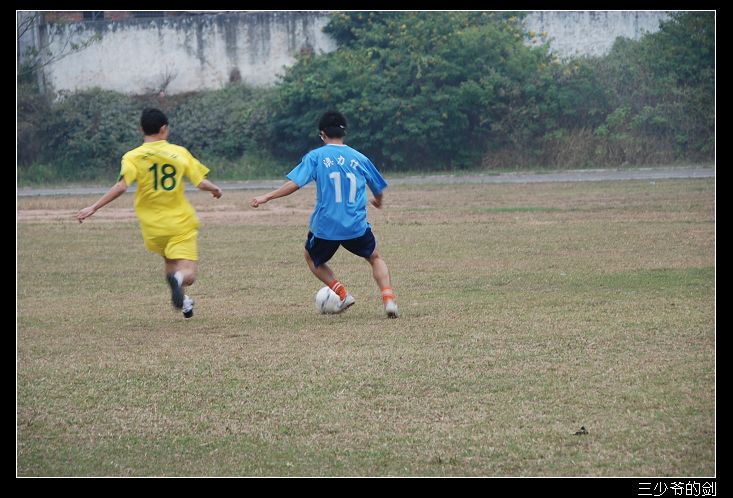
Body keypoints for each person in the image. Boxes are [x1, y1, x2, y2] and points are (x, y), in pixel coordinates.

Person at [250, 110, 398, 318]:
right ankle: (388, 299)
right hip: (355, 225)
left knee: (311, 258)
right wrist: (378, 202)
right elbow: (378, 189)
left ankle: (342, 294)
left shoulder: (316, 157)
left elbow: (295, 183)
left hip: (326, 226)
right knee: (374, 257)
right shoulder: (360, 158)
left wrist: (267, 197)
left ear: (322, 134)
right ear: (344, 132)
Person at [76, 108, 222, 318]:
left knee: (170, 262)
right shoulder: (179, 152)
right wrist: (215, 189)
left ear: (141, 129)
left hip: (152, 226)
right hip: (179, 222)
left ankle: (185, 302)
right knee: (187, 273)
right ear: (164, 129)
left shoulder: (132, 156)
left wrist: (94, 207)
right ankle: (179, 281)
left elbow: (121, 186)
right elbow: (200, 182)